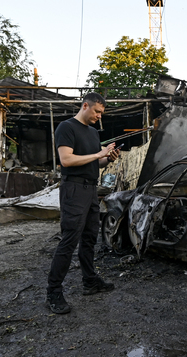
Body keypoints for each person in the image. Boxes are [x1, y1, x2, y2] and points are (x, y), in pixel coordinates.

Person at [47, 92, 120, 314]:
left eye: (101, 113)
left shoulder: (93, 133)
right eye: (97, 111)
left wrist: (107, 158)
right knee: (69, 239)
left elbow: (94, 163)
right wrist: (99, 153)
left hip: (90, 189)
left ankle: (90, 281)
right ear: (85, 105)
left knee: (89, 238)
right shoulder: (66, 127)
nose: (99, 116)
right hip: (73, 189)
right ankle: (54, 292)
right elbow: (67, 160)